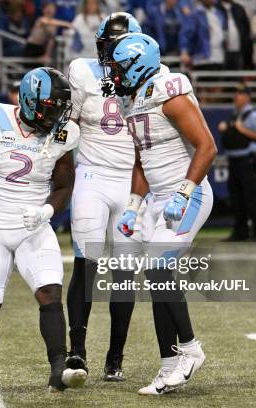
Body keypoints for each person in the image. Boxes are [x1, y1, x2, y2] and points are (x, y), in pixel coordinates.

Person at [0, 67, 86, 398]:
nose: (58, 115)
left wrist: (47, 210)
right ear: (29, 102)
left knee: (50, 292)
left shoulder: (63, 133)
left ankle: (59, 370)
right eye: (51, 106)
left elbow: (65, 184)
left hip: (33, 226)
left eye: (60, 107)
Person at [105, 33, 217, 394]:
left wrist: (183, 193)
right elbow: (143, 158)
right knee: (156, 282)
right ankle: (168, 366)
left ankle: (191, 349)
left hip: (189, 193)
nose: (114, 75)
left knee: (157, 266)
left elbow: (207, 147)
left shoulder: (170, 91)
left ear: (139, 65)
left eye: (120, 68)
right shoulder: (132, 99)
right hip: (156, 199)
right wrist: (134, 206)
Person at [65, 11, 147, 382]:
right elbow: (70, 122)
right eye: (109, 46)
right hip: (93, 176)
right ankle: (77, 352)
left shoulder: (149, 74)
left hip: (131, 182)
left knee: (125, 272)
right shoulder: (82, 70)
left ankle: (115, 357)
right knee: (87, 264)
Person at [219, 83, 256, 241]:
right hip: (233, 161)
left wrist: (242, 129)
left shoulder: (253, 115)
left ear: (247, 97)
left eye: (240, 93)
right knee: (236, 198)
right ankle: (241, 231)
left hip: (247, 161)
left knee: (251, 198)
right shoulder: (235, 114)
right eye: (235, 93)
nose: (236, 96)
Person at [179, 0, 227, 70]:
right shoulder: (195, 14)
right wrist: (184, 51)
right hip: (202, 58)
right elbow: (186, 34)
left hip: (220, 57)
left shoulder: (219, 14)